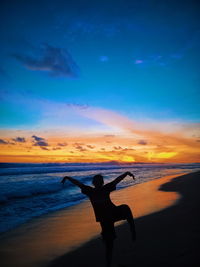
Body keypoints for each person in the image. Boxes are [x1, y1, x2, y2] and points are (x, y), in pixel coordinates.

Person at [61, 171, 136, 267]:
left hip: (111, 215)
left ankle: (132, 229)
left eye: (98, 181)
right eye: (97, 181)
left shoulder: (91, 191)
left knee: (125, 209)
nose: (97, 183)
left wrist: (67, 178)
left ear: (97, 183)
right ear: (100, 182)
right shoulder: (97, 190)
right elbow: (117, 180)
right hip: (108, 219)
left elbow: (79, 184)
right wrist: (127, 173)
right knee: (109, 244)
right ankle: (109, 262)